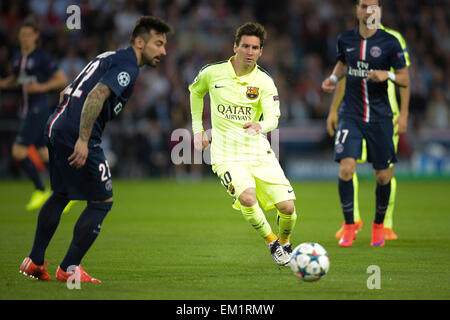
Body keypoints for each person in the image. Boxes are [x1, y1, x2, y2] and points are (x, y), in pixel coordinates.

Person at [19, 16, 173, 282]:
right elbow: (97, 95)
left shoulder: (107, 56)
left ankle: (34, 260)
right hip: (76, 133)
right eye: (158, 43)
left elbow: (68, 89)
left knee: (62, 193)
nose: (163, 51)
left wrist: (68, 122)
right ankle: (69, 269)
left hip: (56, 123)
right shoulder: (128, 65)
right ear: (139, 41)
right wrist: (82, 138)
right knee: (102, 201)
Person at [189, 22, 297, 266]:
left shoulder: (265, 82)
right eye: (245, 46)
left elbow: (273, 116)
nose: (250, 51)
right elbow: (195, 92)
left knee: (288, 208)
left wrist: (261, 126)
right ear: (235, 47)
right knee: (247, 198)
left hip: (258, 150)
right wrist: (198, 130)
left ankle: (285, 240)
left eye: (255, 47)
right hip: (224, 153)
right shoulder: (212, 73)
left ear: (261, 52)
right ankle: (272, 244)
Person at [321, 0, 410, 247]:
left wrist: (388, 75)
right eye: (363, 5)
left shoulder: (390, 42)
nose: (367, 10)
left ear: (379, 11)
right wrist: (331, 78)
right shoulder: (345, 40)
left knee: (383, 176)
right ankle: (349, 225)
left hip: (381, 117)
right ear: (356, 10)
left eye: (372, 6)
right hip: (352, 115)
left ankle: (379, 226)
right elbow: (342, 64)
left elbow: (404, 78)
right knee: (346, 169)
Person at [0, 19, 67, 211]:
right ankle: (68, 190)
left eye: (29, 34)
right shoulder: (18, 58)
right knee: (44, 154)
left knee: (18, 151)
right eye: (22, 34)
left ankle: (40, 189)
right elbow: (15, 81)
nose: (25, 38)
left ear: (36, 36)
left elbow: (61, 79)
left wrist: (42, 86)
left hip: (37, 109)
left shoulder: (41, 58)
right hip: (28, 110)